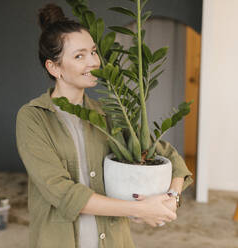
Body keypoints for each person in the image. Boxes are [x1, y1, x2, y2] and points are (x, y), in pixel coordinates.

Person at [15, 3, 193, 248]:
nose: (93, 62)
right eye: (79, 56)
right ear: (54, 67)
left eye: (94, 52)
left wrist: (171, 197)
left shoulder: (109, 114)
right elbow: (63, 193)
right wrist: (140, 209)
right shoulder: (33, 118)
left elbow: (170, 158)